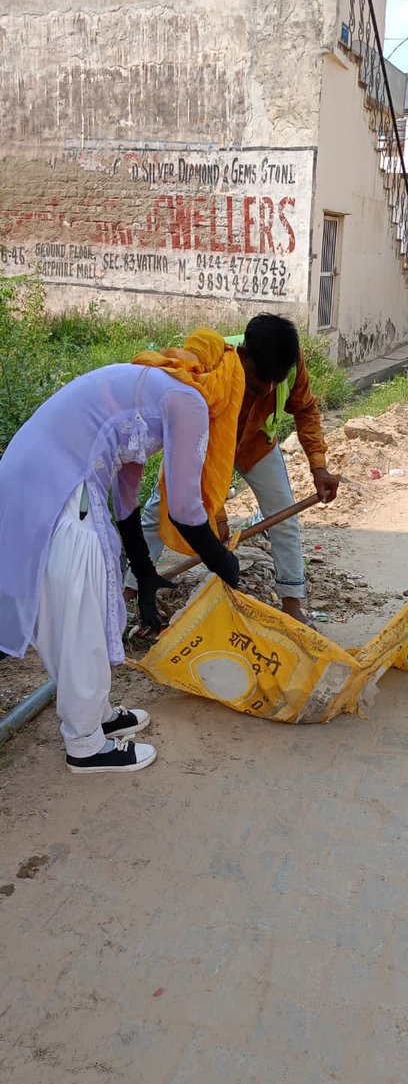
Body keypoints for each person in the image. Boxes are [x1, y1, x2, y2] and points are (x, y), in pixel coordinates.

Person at [0, 331, 245, 773]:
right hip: (59, 489)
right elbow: (189, 512)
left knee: (80, 610)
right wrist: (225, 564)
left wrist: (145, 572)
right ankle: (86, 745)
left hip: (38, 477)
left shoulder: (150, 382)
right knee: (80, 616)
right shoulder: (188, 400)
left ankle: (98, 716)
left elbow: (126, 498)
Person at [125, 314, 340, 623]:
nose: (267, 389)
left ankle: (293, 604)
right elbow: (195, 456)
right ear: (244, 356)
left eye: (273, 381)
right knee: (158, 511)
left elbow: (306, 409)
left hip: (256, 445)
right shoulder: (214, 364)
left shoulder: (288, 362)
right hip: (205, 442)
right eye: (259, 378)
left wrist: (318, 467)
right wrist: (217, 514)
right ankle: (130, 591)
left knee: (284, 520)